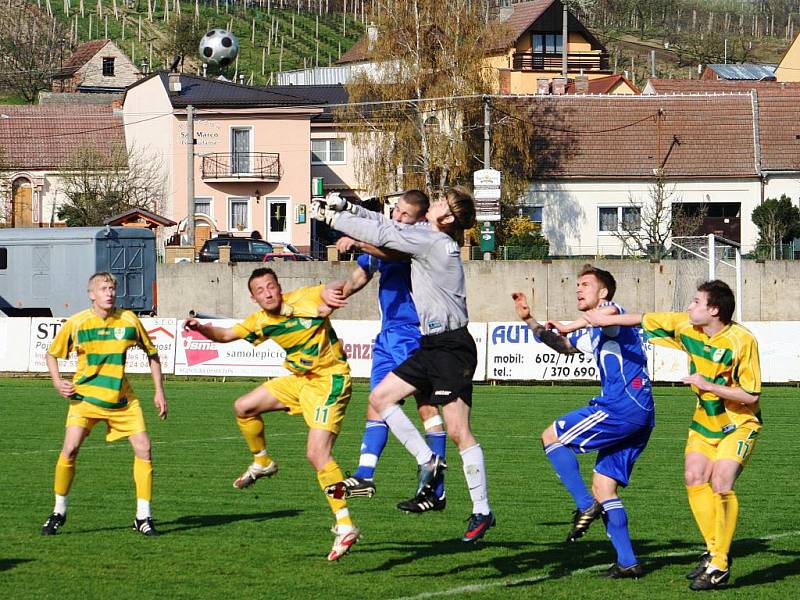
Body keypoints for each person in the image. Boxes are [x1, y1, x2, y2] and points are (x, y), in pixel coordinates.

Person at [313, 186, 494, 543]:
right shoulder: (427, 235)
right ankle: (428, 459)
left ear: (447, 217)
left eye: (440, 202)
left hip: (451, 348)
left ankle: (482, 510)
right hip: (430, 345)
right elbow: (385, 224)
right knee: (380, 399)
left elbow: (384, 233)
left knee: (459, 432)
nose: (435, 202)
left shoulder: (434, 242)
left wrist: (333, 218)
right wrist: (346, 206)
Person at [584, 279, 760, 590]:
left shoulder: (742, 341)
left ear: (714, 310)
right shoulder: (686, 326)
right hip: (704, 423)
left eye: (695, 302)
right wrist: (606, 319)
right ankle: (713, 550)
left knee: (720, 481)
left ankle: (719, 563)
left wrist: (708, 386)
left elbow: (751, 396)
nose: (689, 307)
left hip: (739, 423)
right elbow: (643, 317)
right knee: (694, 477)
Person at [183, 267, 360, 561]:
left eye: (271, 286)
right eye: (260, 290)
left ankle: (345, 524)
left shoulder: (304, 298)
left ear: (280, 287)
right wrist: (202, 328)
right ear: (253, 298)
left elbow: (333, 287)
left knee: (317, 454)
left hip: (330, 379)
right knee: (243, 407)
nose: (267, 293)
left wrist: (334, 287)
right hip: (300, 380)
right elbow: (226, 334)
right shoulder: (260, 321)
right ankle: (262, 461)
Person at [511, 264, 654, 578]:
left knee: (551, 436)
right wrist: (530, 321)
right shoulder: (597, 327)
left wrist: (568, 325)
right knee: (605, 487)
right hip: (640, 411)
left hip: (621, 406)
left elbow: (602, 315)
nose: (578, 289)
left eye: (585, 284)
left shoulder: (609, 312)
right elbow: (563, 346)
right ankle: (628, 561)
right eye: (577, 285)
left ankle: (584, 504)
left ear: (602, 292)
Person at [326, 190, 448, 513]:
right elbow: (363, 272)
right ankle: (365, 475)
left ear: (420, 219)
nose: (397, 218)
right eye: (396, 211)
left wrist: (357, 241)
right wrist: (335, 298)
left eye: (405, 215)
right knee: (376, 402)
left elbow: (392, 254)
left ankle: (437, 487)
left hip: (413, 333)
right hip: (387, 335)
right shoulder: (387, 234)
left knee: (425, 406)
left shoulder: (419, 237)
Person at [42, 272, 168, 537]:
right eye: (103, 288)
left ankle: (143, 517)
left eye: (112, 288)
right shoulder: (77, 323)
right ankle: (58, 512)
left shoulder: (129, 319)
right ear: (91, 294)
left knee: (144, 449)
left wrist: (159, 391)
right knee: (70, 449)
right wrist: (57, 382)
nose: (109, 292)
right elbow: (52, 354)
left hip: (122, 401)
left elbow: (152, 354)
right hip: (85, 399)